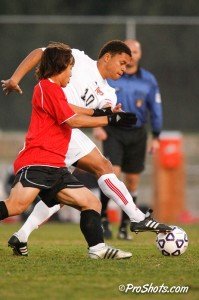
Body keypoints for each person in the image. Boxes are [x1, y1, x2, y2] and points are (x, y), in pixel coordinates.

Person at [2, 40, 171, 256]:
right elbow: (39, 54)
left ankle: (22, 235)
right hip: (59, 129)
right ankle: (137, 217)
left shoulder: (110, 93)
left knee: (64, 197)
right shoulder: (78, 59)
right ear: (107, 57)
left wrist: (110, 114)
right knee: (104, 166)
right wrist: (15, 79)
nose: (124, 69)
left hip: (64, 136)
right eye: (122, 62)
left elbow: (96, 114)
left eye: (128, 66)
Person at [93, 39, 163, 240]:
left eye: (135, 51)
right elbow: (97, 99)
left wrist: (156, 136)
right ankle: (104, 219)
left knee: (132, 181)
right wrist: (98, 125)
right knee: (111, 173)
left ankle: (126, 225)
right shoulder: (112, 75)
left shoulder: (148, 79)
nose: (131, 54)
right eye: (128, 50)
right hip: (114, 131)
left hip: (138, 133)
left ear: (139, 55)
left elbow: (155, 107)